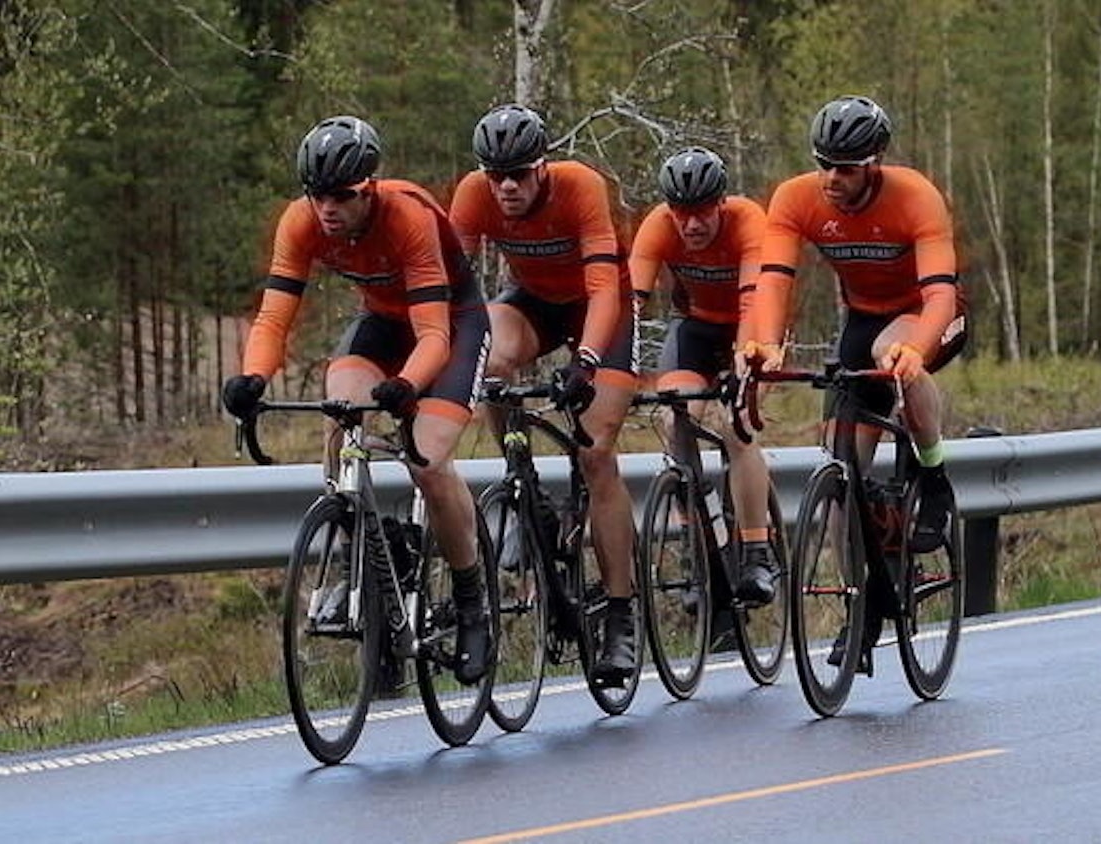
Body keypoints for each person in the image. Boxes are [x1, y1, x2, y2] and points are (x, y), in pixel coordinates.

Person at [221, 115, 493, 686]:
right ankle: (366, 565)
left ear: (369, 188)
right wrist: (252, 377)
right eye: (317, 194)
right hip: (382, 322)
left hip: (451, 322)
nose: (327, 207)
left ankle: (472, 602)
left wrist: (409, 386)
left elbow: (436, 338)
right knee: (339, 413)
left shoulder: (408, 216)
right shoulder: (301, 223)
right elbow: (274, 314)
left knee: (428, 459)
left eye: (342, 196)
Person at [739, 95, 967, 671]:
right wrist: (765, 342)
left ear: (875, 161)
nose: (831, 178)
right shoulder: (795, 199)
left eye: (845, 167)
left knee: (892, 351)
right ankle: (860, 606)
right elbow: (772, 281)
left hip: (928, 313)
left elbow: (940, 292)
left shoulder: (914, 196)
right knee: (842, 472)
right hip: (861, 321)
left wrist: (917, 349)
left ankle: (933, 474)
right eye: (824, 164)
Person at [449, 103, 641, 687]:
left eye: (519, 175)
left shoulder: (581, 186)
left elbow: (604, 286)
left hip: (599, 307)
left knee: (595, 453)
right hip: (532, 301)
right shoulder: (474, 193)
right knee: (490, 356)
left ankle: (619, 617)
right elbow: (451, 289)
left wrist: (585, 361)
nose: (505, 187)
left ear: (543, 168)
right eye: (495, 175)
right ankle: (519, 481)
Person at [629, 146, 779, 613]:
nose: (691, 224)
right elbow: (628, 301)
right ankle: (698, 552)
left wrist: (744, 362)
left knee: (737, 426)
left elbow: (756, 304)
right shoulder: (658, 225)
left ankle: (757, 551)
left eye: (702, 214)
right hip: (693, 328)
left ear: (720, 204)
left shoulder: (748, 221)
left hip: (750, 326)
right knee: (678, 421)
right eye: (681, 214)